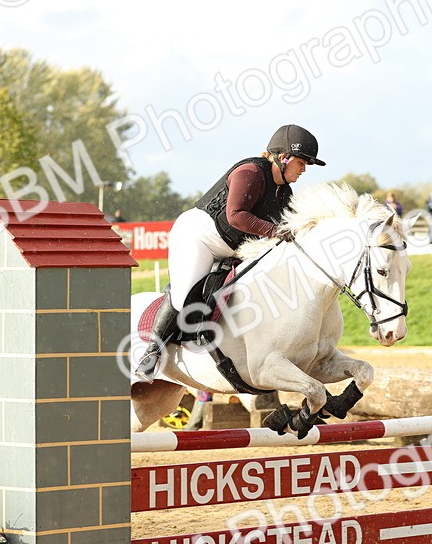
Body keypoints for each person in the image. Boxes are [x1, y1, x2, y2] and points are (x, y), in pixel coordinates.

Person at [133, 124, 325, 382]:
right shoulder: (250, 173)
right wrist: (276, 230)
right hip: (199, 237)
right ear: (284, 158)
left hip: (236, 247)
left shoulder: (284, 193)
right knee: (183, 294)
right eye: (302, 162)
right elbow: (235, 216)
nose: (304, 170)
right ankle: (152, 353)